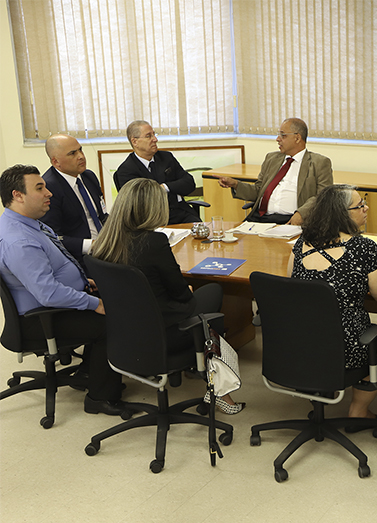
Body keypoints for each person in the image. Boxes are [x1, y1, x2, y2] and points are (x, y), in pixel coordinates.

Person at [91, 178, 244, 414]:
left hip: (122, 332)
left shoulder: (104, 243)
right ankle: (219, 387)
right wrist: (188, 291)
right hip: (163, 334)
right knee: (212, 292)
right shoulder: (154, 242)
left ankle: (213, 381)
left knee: (203, 303)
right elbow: (181, 296)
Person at [0, 164, 126, 416]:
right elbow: (47, 293)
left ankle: (90, 371)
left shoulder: (28, 224)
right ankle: (99, 397)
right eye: (40, 188)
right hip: (41, 316)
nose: (49, 193)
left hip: (50, 305)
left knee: (115, 297)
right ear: (18, 195)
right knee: (113, 321)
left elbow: (54, 268)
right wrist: (94, 304)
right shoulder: (20, 241)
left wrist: (84, 283)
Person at [287, 184, 377, 420]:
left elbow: (291, 288)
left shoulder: (301, 244)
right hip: (345, 349)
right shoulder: (363, 248)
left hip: (298, 344)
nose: (366, 208)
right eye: (360, 205)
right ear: (343, 214)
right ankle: (359, 410)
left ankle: (321, 389)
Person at [215, 117, 333, 225]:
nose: (278, 139)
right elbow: (258, 191)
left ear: (297, 138)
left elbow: (322, 197)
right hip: (260, 218)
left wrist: (301, 213)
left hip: (290, 221)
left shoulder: (319, 163)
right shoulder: (272, 159)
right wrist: (235, 184)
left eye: (283, 135)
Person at [115, 120, 200, 225]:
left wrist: (164, 187)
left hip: (181, 213)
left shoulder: (166, 157)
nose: (155, 139)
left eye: (154, 134)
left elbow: (189, 183)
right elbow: (141, 203)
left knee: (201, 233)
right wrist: (173, 189)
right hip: (152, 220)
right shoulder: (126, 171)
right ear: (135, 141)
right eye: (148, 136)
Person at [41, 134, 108, 265]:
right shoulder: (49, 187)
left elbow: (102, 214)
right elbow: (52, 237)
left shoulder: (88, 177)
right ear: (56, 162)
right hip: (80, 257)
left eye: (80, 149)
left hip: (106, 246)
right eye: (72, 153)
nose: (81, 156)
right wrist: (92, 245)